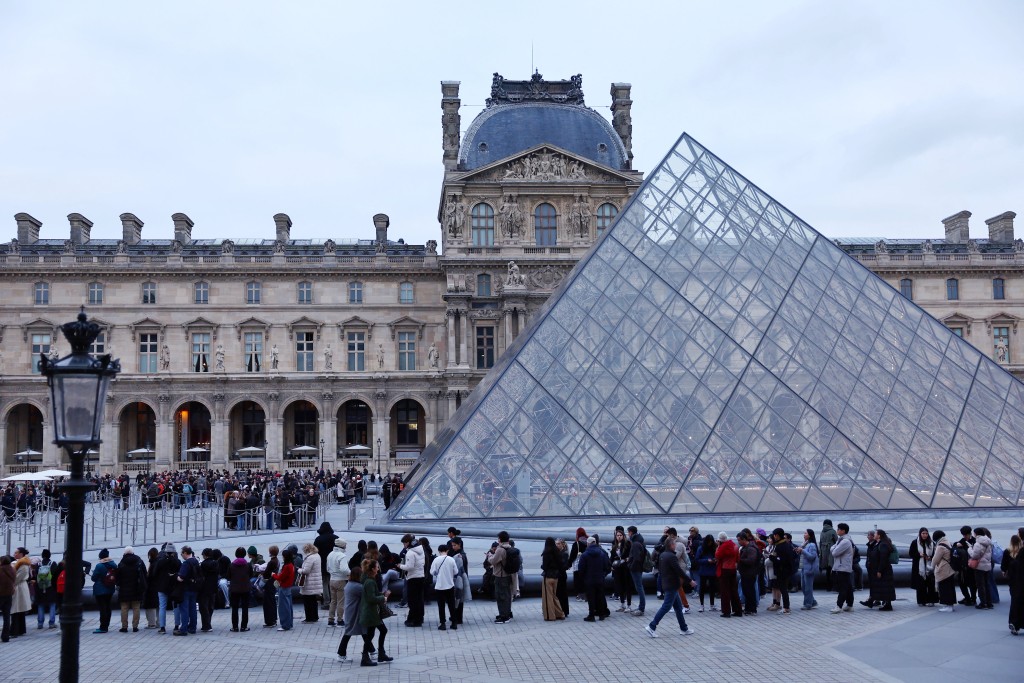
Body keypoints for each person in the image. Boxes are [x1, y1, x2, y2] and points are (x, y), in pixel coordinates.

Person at [645, 536, 695, 637]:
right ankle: (652, 626)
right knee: (666, 607)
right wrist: (690, 581)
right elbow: (679, 571)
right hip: (672, 585)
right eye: (674, 544)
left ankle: (684, 628)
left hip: (668, 584)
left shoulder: (663, 555)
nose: (675, 545)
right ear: (671, 545)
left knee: (678, 607)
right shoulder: (671, 557)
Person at [359, 558, 392, 667]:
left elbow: (374, 594)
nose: (378, 568)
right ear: (373, 569)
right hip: (371, 612)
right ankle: (367, 657)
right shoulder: (369, 581)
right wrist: (383, 598)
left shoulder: (370, 579)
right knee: (374, 633)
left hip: (372, 612)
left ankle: (377, 654)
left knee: (374, 633)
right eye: (377, 567)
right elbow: (371, 598)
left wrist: (382, 594)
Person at [577, 536, 611, 621]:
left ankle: (591, 615)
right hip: (600, 579)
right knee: (600, 596)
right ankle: (602, 615)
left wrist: (584, 577)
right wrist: (603, 574)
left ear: (588, 543)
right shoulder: (602, 553)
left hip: (589, 579)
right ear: (595, 542)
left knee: (591, 598)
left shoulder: (585, 554)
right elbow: (607, 566)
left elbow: (581, 568)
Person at [337, 567, 365, 662]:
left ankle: (372, 651)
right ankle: (341, 654)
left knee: (361, 632)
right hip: (354, 612)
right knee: (351, 632)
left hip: (351, 611)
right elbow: (367, 595)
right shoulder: (357, 587)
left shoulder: (350, 584)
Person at [115, 546, 147, 632]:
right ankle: (135, 626)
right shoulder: (139, 561)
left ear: (125, 553)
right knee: (136, 608)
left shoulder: (121, 563)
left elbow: (117, 577)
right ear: (133, 552)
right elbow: (145, 573)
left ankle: (124, 627)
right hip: (137, 589)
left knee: (124, 608)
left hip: (124, 590)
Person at [399, 534, 426, 627]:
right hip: (421, 576)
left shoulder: (410, 553)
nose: (404, 545)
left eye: (404, 543)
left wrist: (400, 566)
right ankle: (419, 618)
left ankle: (413, 620)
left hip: (413, 578)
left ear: (407, 542)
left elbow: (409, 567)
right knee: (419, 599)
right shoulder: (421, 550)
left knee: (412, 600)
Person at [430, 544, 459, 630]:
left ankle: (442, 623)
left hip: (439, 586)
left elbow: (432, 572)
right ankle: (454, 623)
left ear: (439, 551)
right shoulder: (451, 559)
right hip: (450, 585)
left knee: (441, 606)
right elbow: (456, 571)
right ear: (447, 550)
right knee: (451, 605)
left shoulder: (436, 560)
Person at [907, 527, 938, 606]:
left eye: (926, 533)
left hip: (929, 566)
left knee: (931, 584)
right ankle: (922, 601)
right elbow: (911, 553)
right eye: (923, 533)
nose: (925, 535)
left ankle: (932, 600)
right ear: (920, 534)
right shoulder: (915, 542)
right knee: (921, 585)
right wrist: (919, 555)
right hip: (919, 567)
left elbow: (935, 553)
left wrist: (930, 557)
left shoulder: (931, 543)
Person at [866, 529, 896, 611]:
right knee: (884, 587)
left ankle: (888, 605)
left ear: (879, 535)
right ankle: (886, 604)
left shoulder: (883, 544)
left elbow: (883, 558)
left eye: (875, 534)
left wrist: (879, 570)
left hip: (884, 570)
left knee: (885, 587)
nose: (874, 535)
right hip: (884, 569)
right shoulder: (880, 543)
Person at [155, 542, 181, 633]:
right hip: (174, 586)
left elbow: (155, 573)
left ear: (165, 552)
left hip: (162, 586)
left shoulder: (160, 561)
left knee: (162, 607)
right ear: (174, 552)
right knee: (176, 607)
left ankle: (162, 627)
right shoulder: (177, 562)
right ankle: (177, 626)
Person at [715, 531, 741, 618]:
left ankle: (726, 611)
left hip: (724, 569)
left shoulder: (723, 546)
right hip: (733, 569)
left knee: (725, 591)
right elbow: (738, 558)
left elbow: (717, 555)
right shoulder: (734, 545)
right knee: (734, 590)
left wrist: (718, 546)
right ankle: (738, 610)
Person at [488, 531, 513, 624]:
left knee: (500, 596)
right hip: (508, 575)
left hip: (500, 575)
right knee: (507, 595)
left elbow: (493, 561)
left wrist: (489, 556)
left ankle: (503, 617)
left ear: (500, 539)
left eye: (498, 538)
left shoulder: (500, 549)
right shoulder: (509, 547)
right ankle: (507, 613)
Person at [767, 528, 794, 614]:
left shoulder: (782, 546)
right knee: (782, 589)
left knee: (783, 589)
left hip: (783, 571)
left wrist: (772, 557)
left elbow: (781, 559)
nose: (774, 537)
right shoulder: (780, 544)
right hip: (782, 570)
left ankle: (786, 608)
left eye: (774, 535)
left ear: (777, 535)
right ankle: (786, 607)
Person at [174, 546, 200, 635]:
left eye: (182, 553)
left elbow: (181, 577)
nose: (181, 555)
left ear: (185, 553)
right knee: (193, 609)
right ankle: (193, 627)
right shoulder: (196, 561)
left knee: (184, 609)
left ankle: (183, 629)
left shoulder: (186, 563)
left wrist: (177, 577)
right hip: (194, 588)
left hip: (186, 588)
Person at [91, 548, 118, 633]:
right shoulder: (113, 564)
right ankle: (106, 625)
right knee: (107, 607)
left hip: (100, 590)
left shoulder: (99, 566)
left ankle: (103, 627)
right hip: (110, 588)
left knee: (102, 608)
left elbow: (93, 578)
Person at [828, 524, 854, 614]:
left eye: (838, 529)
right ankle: (850, 605)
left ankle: (839, 606)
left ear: (843, 531)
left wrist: (834, 548)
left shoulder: (845, 541)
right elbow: (833, 548)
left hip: (843, 567)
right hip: (842, 567)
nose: (837, 530)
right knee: (848, 587)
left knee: (843, 587)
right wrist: (834, 548)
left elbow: (834, 552)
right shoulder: (841, 539)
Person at [539, 537, 565, 621]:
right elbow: (561, 565)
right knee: (554, 596)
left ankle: (550, 616)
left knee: (548, 597)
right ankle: (560, 614)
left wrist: (542, 566)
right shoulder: (558, 552)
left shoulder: (546, 553)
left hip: (548, 577)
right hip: (556, 577)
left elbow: (545, 566)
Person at [226, 547, 251, 632]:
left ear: (236, 554)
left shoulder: (231, 565)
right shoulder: (248, 565)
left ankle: (235, 627)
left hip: (234, 589)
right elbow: (250, 574)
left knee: (235, 608)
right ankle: (244, 626)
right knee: (245, 608)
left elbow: (228, 576)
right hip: (245, 588)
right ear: (244, 554)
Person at [931, 530, 957, 613]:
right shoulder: (947, 542)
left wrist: (931, 567)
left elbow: (935, 559)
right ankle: (951, 605)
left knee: (944, 588)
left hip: (944, 569)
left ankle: (947, 605)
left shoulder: (940, 546)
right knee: (950, 588)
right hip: (950, 569)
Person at [1002, 534, 1023, 634]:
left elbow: (1003, 567)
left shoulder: (1007, 551)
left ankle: (1014, 623)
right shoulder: (1022, 551)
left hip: (1013, 581)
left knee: (1014, 602)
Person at [315, 522, 339, 606]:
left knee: (325, 583)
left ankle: (327, 601)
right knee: (333, 583)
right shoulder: (336, 538)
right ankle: (334, 601)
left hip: (323, 564)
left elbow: (315, 553)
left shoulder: (318, 539)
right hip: (334, 564)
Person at [969, 527, 994, 609]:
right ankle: (989, 602)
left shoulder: (978, 543)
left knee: (980, 585)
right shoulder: (989, 542)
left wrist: (969, 549)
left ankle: (983, 603)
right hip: (987, 565)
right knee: (987, 584)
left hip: (979, 567)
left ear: (976, 534)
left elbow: (974, 556)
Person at [33, 549, 58, 630]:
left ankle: (40, 623)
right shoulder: (53, 564)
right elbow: (55, 576)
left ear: (42, 555)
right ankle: (51, 623)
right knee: (52, 605)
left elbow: (36, 575)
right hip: (51, 588)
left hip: (40, 588)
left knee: (40, 605)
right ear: (50, 555)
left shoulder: (38, 564)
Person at [326, 538, 349, 627]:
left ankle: (330, 620)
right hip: (340, 580)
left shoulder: (330, 554)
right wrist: (350, 573)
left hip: (332, 579)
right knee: (341, 601)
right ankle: (340, 620)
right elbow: (344, 569)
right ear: (343, 546)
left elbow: (327, 568)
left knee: (333, 601)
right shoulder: (342, 556)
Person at [273, 548, 296, 631]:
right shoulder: (291, 565)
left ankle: (285, 625)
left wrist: (273, 575)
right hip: (289, 586)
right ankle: (289, 623)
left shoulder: (286, 566)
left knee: (283, 607)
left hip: (284, 587)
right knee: (289, 606)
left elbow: (280, 577)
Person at [299, 542, 323, 623]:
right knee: (313, 600)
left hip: (310, 582)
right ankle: (315, 616)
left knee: (307, 601)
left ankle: (309, 618)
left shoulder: (310, 558)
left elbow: (306, 571)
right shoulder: (317, 555)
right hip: (315, 581)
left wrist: (299, 570)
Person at [10, 548, 32, 638]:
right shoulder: (22, 563)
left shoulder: (22, 564)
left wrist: (11, 583)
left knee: (16, 609)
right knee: (19, 609)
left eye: (16, 553)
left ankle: (15, 630)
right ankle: (20, 629)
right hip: (21, 586)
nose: (14, 554)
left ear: (21, 554)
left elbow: (19, 577)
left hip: (19, 587)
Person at [737, 532, 760, 615]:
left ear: (744, 539)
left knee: (750, 591)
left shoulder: (751, 548)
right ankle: (748, 608)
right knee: (746, 591)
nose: (738, 542)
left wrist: (740, 560)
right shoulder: (745, 547)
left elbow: (751, 560)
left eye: (739, 540)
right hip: (745, 573)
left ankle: (752, 609)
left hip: (750, 573)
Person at [796, 529, 819, 610]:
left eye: (805, 533)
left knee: (808, 587)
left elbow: (812, 556)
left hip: (809, 569)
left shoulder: (812, 545)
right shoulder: (804, 544)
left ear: (809, 535)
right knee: (803, 587)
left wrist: (802, 551)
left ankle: (808, 604)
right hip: (803, 568)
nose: (804, 534)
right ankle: (812, 601)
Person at [627, 525, 647, 616]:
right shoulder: (640, 541)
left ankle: (641, 608)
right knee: (639, 587)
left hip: (636, 569)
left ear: (631, 532)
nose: (628, 534)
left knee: (639, 587)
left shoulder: (635, 543)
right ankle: (641, 607)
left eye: (628, 532)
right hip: (639, 568)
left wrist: (630, 566)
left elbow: (636, 558)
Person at [198, 548, 219, 632]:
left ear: (205, 555)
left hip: (204, 588)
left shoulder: (203, 564)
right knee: (210, 606)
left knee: (203, 607)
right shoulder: (216, 563)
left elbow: (201, 576)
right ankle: (208, 622)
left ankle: (206, 625)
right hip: (213, 587)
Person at [696, 535, 718, 612]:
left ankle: (712, 605)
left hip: (711, 570)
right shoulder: (701, 549)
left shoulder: (714, 548)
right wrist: (707, 561)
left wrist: (714, 560)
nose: (710, 544)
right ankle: (702, 605)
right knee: (702, 588)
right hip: (704, 570)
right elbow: (697, 560)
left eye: (711, 542)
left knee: (712, 588)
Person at [955, 526, 976, 606]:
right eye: (963, 535)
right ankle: (968, 598)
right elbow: (955, 546)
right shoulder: (964, 541)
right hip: (964, 566)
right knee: (963, 583)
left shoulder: (974, 541)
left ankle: (972, 599)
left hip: (970, 566)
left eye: (965, 535)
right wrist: (957, 544)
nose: (964, 536)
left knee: (971, 584)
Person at [260, 545, 280, 628]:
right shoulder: (276, 560)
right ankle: (273, 619)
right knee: (272, 601)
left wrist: (261, 573)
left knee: (268, 602)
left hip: (269, 583)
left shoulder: (272, 562)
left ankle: (270, 621)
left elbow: (266, 573)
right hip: (273, 582)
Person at [568, 527, 588, 601]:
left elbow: (572, 556)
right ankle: (586, 595)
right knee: (585, 580)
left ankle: (580, 595)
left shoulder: (576, 544)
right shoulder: (588, 542)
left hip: (578, 566)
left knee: (578, 581)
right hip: (587, 565)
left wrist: (568, 564)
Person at [819, 519, 838, 591]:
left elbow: (820, 542)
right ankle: (834, 586)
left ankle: (828, 586)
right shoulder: (833, 531)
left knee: (827, 569)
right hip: (831, 550)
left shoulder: (822, 532)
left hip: (824, 551)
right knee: (833, 568)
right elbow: (837, 541)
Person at [144, 547, 160, 629]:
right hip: (158, 587)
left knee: (151, 606)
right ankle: (159, 622)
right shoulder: (159, 562)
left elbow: (150, 576)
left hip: (151, 588)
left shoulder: (153, 564)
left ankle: (151, 623)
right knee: (158, 605)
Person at [0, 555, 15, 642]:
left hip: (0, 595)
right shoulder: (12, 569)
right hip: (9, 595)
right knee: (7, 616)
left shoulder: (1, 569)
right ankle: (6, 636)